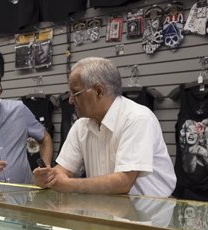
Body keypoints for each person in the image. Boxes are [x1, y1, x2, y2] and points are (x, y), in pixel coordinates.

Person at [33, 57, 176, 197]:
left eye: (75, 93)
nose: (70, 100)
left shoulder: (137, 118)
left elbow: (124, 182)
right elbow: (62, 170)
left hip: (149, 214)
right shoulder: (81, 125)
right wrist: (48, 178)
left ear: (99, 91)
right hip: (105, 210)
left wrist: (68, 185)